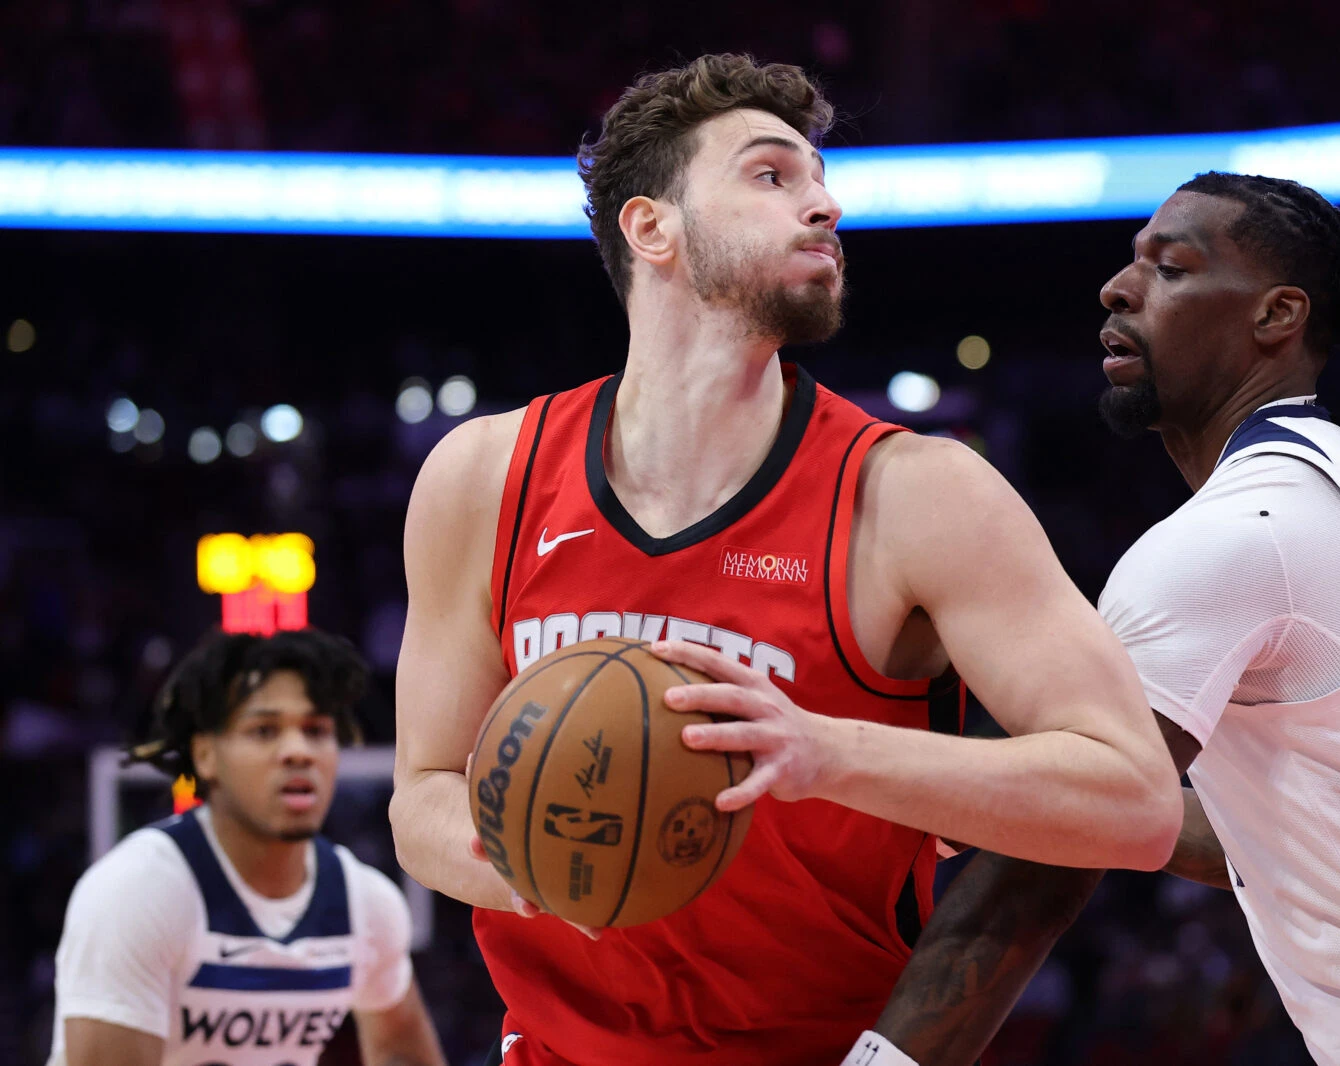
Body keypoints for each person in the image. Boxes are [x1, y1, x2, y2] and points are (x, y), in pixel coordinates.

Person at [390, 52, 1181, 1066]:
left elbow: (1135, 800)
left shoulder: (916, 495)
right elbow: (420, 793)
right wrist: (539, 863)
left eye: (819, 179)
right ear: (652, 228)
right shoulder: (484, 477)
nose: (824, 205)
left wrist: (826, 752)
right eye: (772, 176)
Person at [859, 173, 1340, 1066]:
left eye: (1170, 268)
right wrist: (1025, 796)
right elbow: (1265, 832)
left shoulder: (1232, 538)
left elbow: (1039, 876)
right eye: (1132, 263)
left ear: (1277, 316)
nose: (1119, 287)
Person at [48, 628, 445, 1066]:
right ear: (205, 756)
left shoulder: (366, 904)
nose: (299, 752)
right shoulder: (135, 892)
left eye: (316, 730)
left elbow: (401, 1053)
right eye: (264, 730)